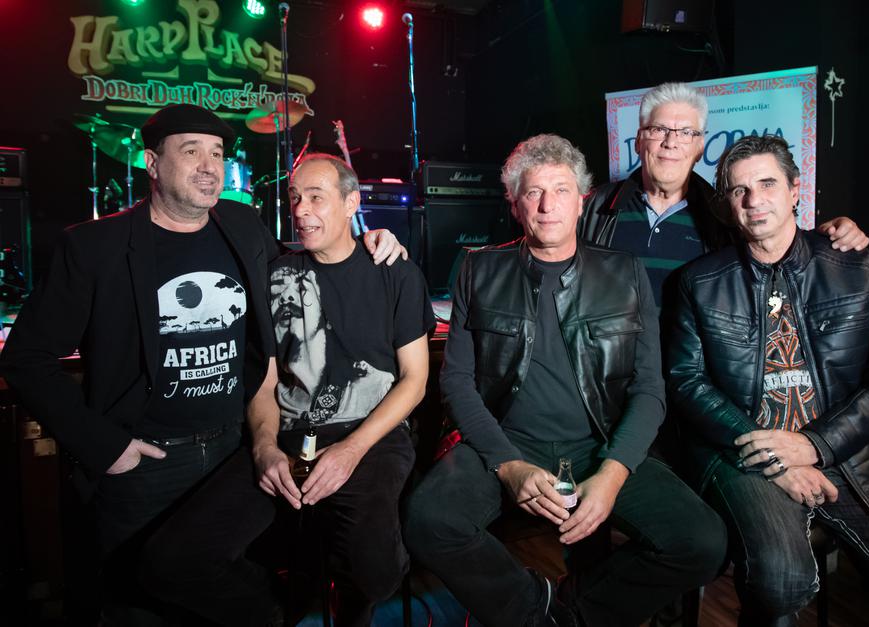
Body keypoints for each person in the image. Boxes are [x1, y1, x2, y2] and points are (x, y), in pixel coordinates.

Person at [0, 104, 404, 623]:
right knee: (140, 603)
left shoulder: (241, 226)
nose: (210, 166)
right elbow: (26, 358)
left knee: (225, 588)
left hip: (234, 450)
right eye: (191, 152)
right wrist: (105, 445)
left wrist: (368, 240)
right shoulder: (94, 246)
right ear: (152, 162)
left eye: (216, 153)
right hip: (146, 463)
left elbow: (308, 260)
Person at [404, 134, 727, 627]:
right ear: (516, 205)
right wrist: (508, 465)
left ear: (581, 201)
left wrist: (613, 474)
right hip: (507, 441)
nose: (547, 205)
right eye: (533, 192)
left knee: (702, 542)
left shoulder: (625, 273)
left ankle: (571, 615)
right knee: (427, 520)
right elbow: (458, 384)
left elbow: (649, 389)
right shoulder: (477, 269)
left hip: (598, 443)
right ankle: (534, 610)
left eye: (561, 190)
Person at [136, 153, 435, 627]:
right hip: (292, 437)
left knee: (375, 574)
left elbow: (415, 380)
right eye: (295, 198)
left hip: (372, 434)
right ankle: (281, 610)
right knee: (171, 559)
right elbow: (266, 379)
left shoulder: (394, 271)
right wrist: (265, 447)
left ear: (351, 203)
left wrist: (352, 450)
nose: (300, 210)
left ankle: (351, 592)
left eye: (316, 197)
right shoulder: (275, 274)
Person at [668, 134, 869, 626]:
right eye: (739, 190)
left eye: (767, 183)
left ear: (796, 189)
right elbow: (686, 381)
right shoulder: (700, 282)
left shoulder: (856, 266)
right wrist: (775, 456)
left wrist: (816, 444)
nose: (754, 200)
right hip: (750, 458)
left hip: (850, 460)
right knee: (782, 582)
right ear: (727, 204)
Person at [580, 81, 868, 309]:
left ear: (700, 148)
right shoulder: (594, 207)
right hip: (610, 365)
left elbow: (776, 248)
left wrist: (829, 235)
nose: (671, 142)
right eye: (659, 129)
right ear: (639, 141)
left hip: (693, 363)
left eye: (685, 133)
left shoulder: (725, 213)